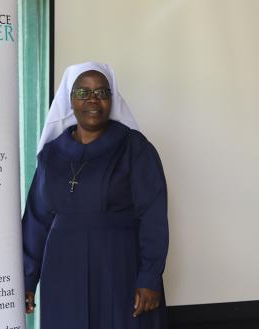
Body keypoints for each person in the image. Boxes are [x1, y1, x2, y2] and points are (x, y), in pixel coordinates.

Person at [22, 62, 168, 329]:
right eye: (82, 92)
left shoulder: (135, 148)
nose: (93, 99)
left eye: (102, 92)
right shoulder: (51, 154)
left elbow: (153, 215)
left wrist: (149, 277)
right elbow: (36, 219)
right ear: (69, 100)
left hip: (119, 265)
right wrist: (27, 279)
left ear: (112, 99)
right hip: (63, 268)